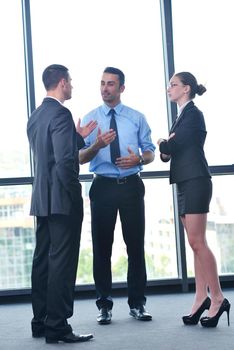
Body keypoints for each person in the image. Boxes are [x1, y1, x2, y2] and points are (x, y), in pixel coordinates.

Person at [79, 67, 155, 324]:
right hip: (102, 187)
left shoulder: (136, 117)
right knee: (102, 248)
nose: (105, 88)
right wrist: (97, 145)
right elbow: (80, 158)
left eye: (111, 84)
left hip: (131, 185)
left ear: (121, 88)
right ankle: (104, 306)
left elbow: (150, 152)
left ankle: (137, 304)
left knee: (135, 246)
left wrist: (139, 159)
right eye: (102, 83)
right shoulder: (89, 120)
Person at [27, 64, 97, 343]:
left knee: (43, 259)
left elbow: (49, 152)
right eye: (70, 81)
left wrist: (76, 136)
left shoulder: (37, 115)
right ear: (61, 83)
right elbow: (66, 161)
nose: (72, 85)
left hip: (42, 199)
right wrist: (73, 192)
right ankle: (58, 326)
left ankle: (41, 321)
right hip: (62, 199)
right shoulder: (61, 113)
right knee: (62, 263)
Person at [157, 71, 230, 328]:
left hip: (196, 180)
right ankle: (201, 298)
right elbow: (168, 153)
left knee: (198, 242)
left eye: (173, 85)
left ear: (186, 89)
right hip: (184, 182)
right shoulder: (181, 117)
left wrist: (163, 144)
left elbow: (171, 149)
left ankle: (218, 297)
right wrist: (166, 146)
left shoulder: (193, 114)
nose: (169, 88)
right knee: (194, 243)